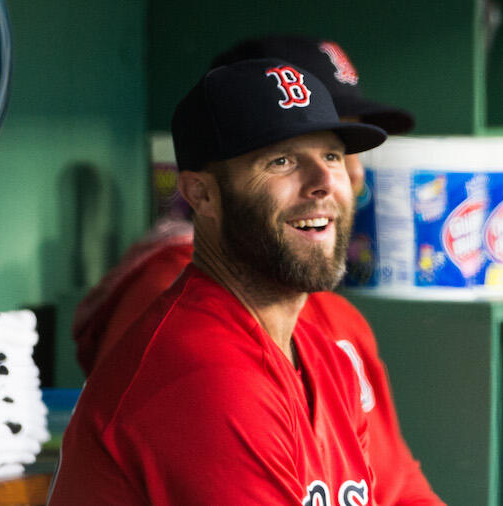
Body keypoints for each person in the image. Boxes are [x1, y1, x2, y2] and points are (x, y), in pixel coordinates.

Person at [70, 36, 441, 505]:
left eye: (331, 154)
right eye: (282, 161)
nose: (329, 180)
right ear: (201, 194)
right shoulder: (201, 372)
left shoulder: (325, 356)